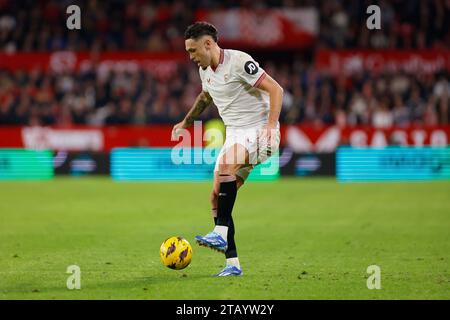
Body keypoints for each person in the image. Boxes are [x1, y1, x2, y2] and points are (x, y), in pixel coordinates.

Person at [171, 22, 283, 276]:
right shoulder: (205, 71)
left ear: (208, 44)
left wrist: (270, 124)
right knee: (215, 196)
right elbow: (205, 97)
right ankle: (232, 264)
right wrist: (186, 122)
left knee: (225, 168)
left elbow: (276, 89)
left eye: (193, 50)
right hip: (235, 134)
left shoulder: (239, 61)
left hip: (259, 130)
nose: (191, 57)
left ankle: (220, 233)